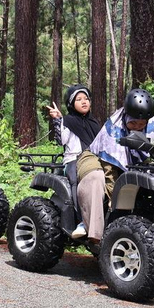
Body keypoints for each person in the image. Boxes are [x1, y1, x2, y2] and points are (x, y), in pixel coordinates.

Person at [76, 88, 154, 243]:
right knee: (96, 179)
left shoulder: (152, 120)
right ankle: (97, 236)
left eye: (142, 124)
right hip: (96, 157)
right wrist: (115, 201)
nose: (138, 127)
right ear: (126, 117)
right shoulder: (114, 131)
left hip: (133, 159)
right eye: (133, 123)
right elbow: (110, 170)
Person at [47, 84, 102, 238]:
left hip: (94, 159)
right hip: (73, 159)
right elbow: (62, 140)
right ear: (71, 104)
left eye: (86, 98)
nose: (84, 102)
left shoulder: (94, 123)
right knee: (75, 181)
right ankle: (81, 220)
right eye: (79, 99)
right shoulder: (68, 120)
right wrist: (58, 120)